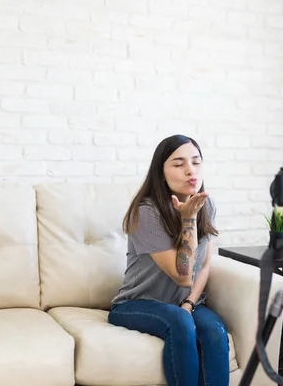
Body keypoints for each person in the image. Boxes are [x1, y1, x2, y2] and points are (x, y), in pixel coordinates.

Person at [108, 134, 230, 386]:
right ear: (161, 172)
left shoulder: (207, 205)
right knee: (179, 320)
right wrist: (188, 220)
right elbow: (183, 274)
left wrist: (188, 303)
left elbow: (204, 265)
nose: (190, 171)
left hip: (183, 303)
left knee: (215, 332)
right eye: (178, 164)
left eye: (196, 162)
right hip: (136, 303)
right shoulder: (146, 211)